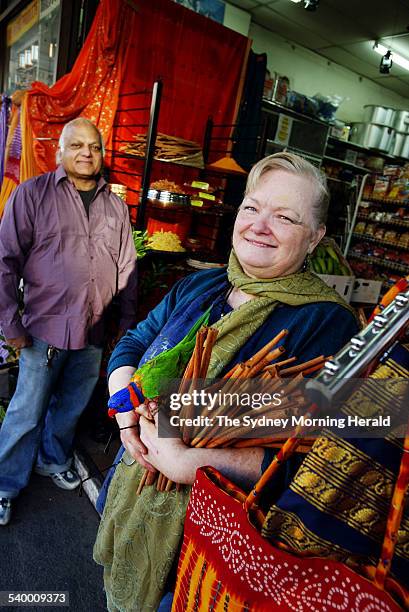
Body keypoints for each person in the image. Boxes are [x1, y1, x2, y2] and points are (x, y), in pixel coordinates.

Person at [93, 152, 359, 612]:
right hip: (130, 486)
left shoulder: (327, 325)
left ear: (315, 237)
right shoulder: (202, 286)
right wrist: (126, 412)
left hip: (209, 545)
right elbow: (133, 344)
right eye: (253, 208)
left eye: (285, 217)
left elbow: (319, 456)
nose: (260, 225)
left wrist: (191, 462)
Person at [0, 118, 137, 526]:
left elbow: (127, 267)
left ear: (101, 153)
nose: (86, 153)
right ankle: (5, 484)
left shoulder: (115, 205)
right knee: (27, 410)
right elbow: (5, 261)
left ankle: (52, 459)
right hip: (43, 329)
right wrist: (11, 326)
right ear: (60, 151)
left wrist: (126, 327)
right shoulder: (34, 195)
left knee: (72, 405)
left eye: (94, 147)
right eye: (76, 145)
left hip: (95, 330)